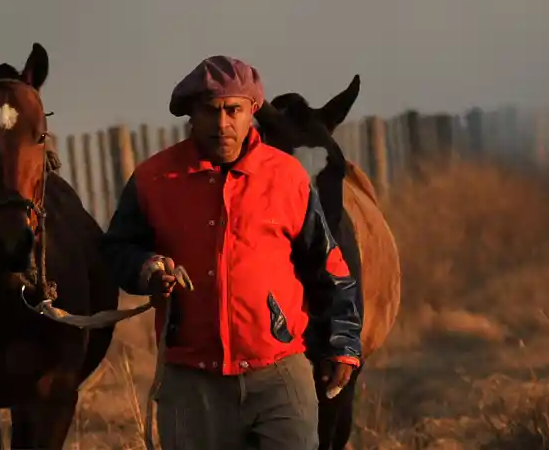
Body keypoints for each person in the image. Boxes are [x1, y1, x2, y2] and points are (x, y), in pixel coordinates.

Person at [101, 55, 362, 450]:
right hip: (191, 381)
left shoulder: (287, 176)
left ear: (252, 111)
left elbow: (328, 266)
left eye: (233, 110)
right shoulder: (154, 179)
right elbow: (116, 250)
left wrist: (342, 343)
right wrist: (147, 268)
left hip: (279, 374)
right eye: (209, 111)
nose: (222, 123)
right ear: (190, 115)